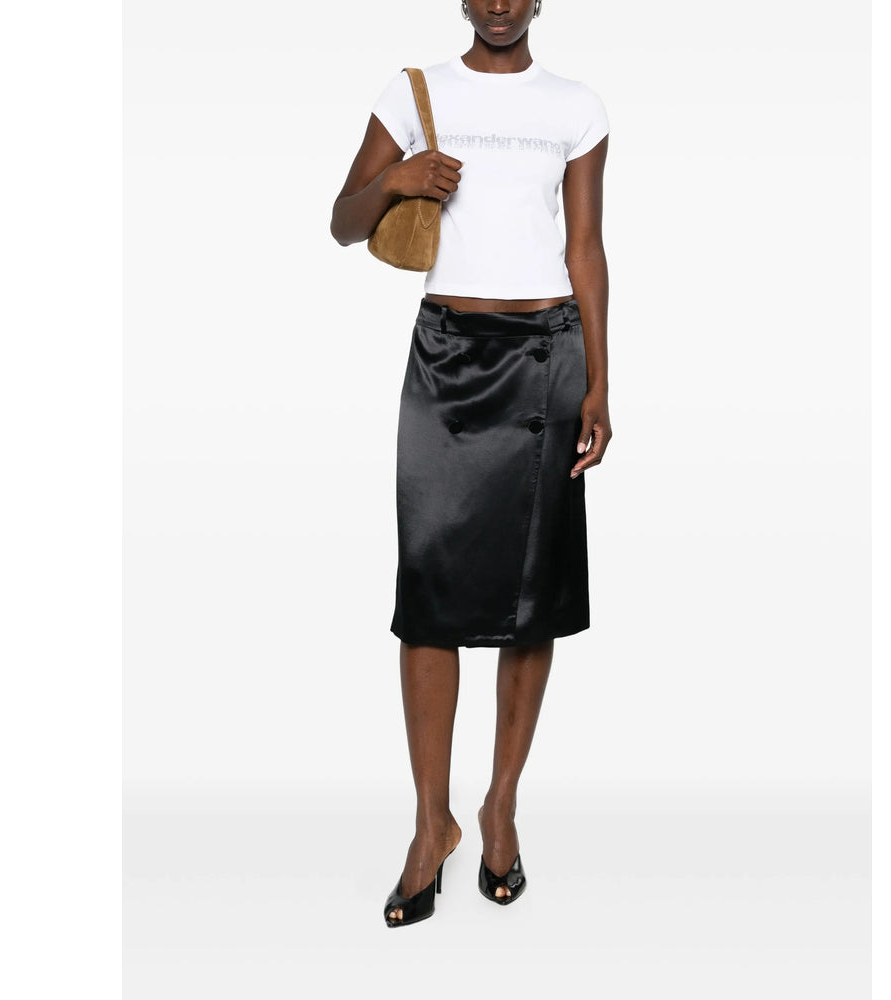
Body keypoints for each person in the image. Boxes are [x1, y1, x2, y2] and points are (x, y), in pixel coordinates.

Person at [330, 0, 612, 928]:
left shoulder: (576, 106)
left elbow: (584, 248)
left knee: (533, 596)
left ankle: (500, 809)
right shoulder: (413, 93)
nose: (498, 4)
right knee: (430, 594)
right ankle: (430, 825)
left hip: (547, 358)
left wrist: (600, 382)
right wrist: (396, 178)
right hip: (446, 357)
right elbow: (342, 222)